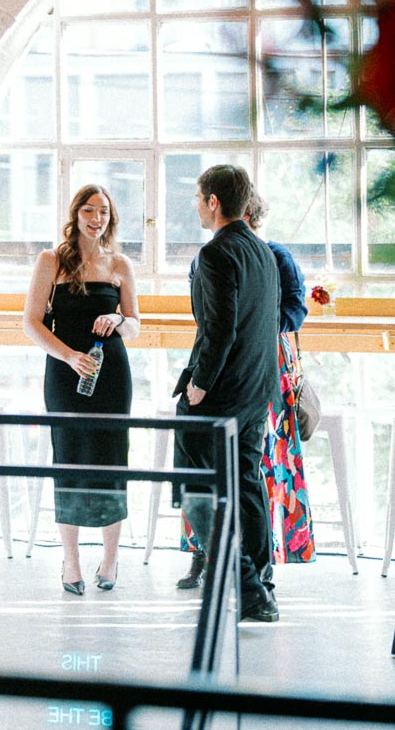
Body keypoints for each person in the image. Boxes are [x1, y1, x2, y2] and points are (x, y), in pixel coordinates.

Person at [176, 191, 314, 587]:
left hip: (255, 368)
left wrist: (254, 334)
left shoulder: (270, 255)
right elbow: (209, 318)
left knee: (230, 472)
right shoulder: (209, 255)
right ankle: (221, 564)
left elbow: (292, 310)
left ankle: (248, 575)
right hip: (243, 371)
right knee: (237, 474)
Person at [173, 165, 280, 623]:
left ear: (214, 202)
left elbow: (219, 330)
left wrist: (198, 385)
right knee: (248, 482)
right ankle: (262, 584)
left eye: (198, 198)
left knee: (197, 483)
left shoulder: (217, 253)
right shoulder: (263, 250)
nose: (196, 205)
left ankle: (247, 588)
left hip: (223, 390)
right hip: (259, 387)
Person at [23, 183, 141, 594]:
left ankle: (110, 560)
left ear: (111, 218)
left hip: (111, 374)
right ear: (75, 215)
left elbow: (136, 323)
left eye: (104, 212)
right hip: (63, 371)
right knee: (68, 457)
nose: (96, 219)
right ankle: (70, 560)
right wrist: (69, 357)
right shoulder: (51, 260)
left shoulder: (120, 264)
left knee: (112, 458)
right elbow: (31, 323)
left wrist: (118, 321)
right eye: (89, 211)